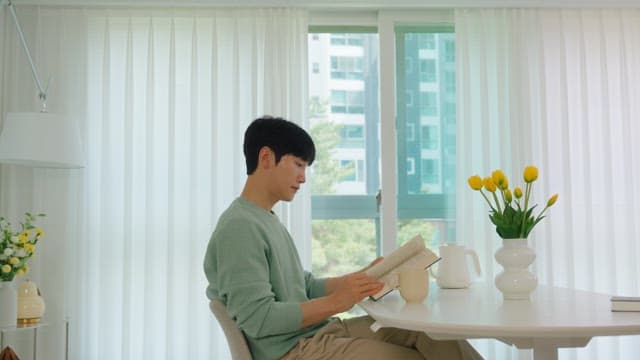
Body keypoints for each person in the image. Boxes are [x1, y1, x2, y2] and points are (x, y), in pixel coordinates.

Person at [203, 116, 482, 360]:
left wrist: (360, 278)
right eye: (299, 164)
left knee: (432, 334)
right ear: (266, 158)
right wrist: (341, 301)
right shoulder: (239, 228)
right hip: (294, 350)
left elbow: (305, 286)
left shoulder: (265, 218)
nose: (303, 178)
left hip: (320, 334)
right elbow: (259, 320)